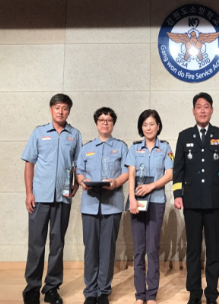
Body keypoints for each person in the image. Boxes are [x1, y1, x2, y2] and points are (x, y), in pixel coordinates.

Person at [173, 92, 219, 304]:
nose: (202, 110)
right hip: (190, 201)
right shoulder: (184, 135)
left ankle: (212, 293)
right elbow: (178, 168)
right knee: (193, 249)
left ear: (212, 110)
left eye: (206, 106)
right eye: (199, 106)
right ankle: (194, 293)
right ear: (193, 111)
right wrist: (177, 194)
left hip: (215, 200)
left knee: (214, 249)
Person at [21, 93, 82, 304]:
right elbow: (29, 163)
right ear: (50, 110)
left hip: (62, 198)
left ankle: (52, 288)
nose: (61, 111)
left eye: (65, 108)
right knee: (36, 244)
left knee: (57, 244)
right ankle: (32, 287)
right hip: (39, 198)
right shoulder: (39, 133)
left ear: (69, 111)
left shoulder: (74, 135)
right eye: (57, 107)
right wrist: (29, 193)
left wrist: (76, 183)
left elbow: (78, 164)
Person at [76, 107, 129, 304]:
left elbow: (126, 172)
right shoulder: (86, 147)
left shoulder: (121, 147)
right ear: (96, 123)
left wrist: (116, 183)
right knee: (90, 249)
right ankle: (90, 291)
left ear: (113, 123)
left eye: (108, 120)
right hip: (89, 205)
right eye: (101, 119)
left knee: (107, 249)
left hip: (112, 205)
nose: (105, 122)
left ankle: (104, 291)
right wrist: (81, 181)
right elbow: (79, 171)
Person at [125, 110, 174, 304]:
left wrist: (151, 186)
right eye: (145, 124)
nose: (148, 128)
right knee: (139, 249)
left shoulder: (166, 147)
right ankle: (140, 294)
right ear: (141, 128)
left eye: (152, 124)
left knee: (152, 249)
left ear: (158, 126)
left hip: (156, 202)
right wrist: (132, 199)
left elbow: (169, 174)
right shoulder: (134, 147)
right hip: (137, 203)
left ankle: (152, 293)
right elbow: (130, 174)